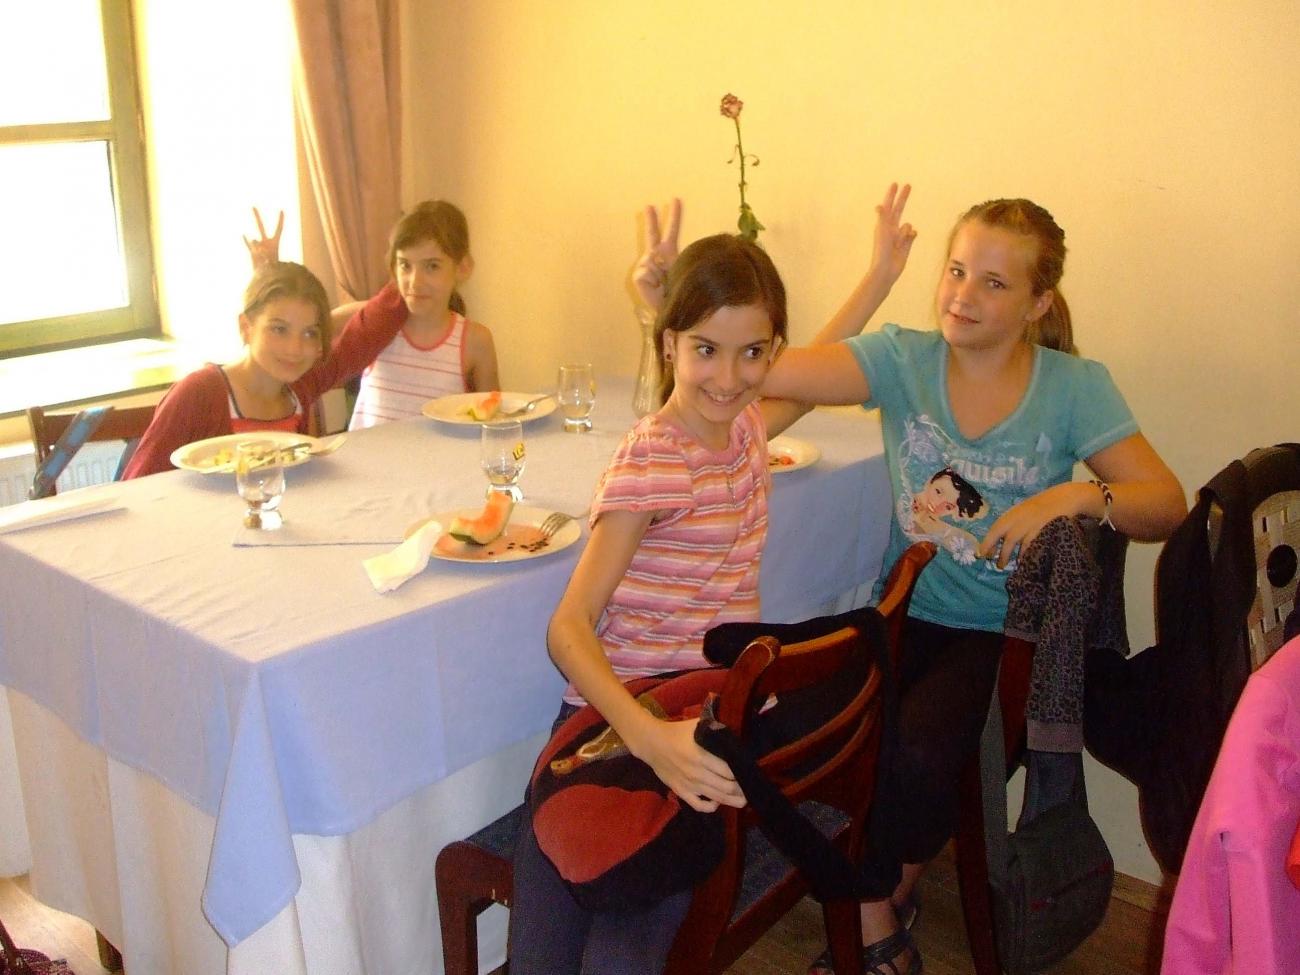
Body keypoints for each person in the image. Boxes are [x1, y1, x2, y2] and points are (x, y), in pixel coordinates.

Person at [760, 190, 1188, 975]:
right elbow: (783, 371)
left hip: (1002, 636)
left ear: (1037, 302)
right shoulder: (903, 359)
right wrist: (877, 278)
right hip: (905, 612)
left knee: (920, 757)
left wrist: (1073, 495)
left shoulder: (1073, 385)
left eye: (994, 282)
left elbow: (1165, 502)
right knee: (793, 723)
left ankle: (875, 922)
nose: (963, 294)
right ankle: (880, 911)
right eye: (957, 270)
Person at [505, 189, 923, 972]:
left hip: (705, 722)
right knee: (557, 922)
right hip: (622, 717)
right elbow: (569, 627)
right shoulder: (653, 460)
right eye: (705, 350)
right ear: (668, 345)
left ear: (773, 352)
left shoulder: (746, 430)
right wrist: (648, 736)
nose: (730, 376)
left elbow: (811, 366)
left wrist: (878, 280)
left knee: (618, 945)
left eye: (753, 353)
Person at [247, 201, 500, 429]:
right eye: (405, 265)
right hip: (366, 462)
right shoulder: (379, 321)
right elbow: (301, 325)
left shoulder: (475, 341)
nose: (415, 281)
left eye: (432, 266)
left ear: (463, 267)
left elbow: (494, 422)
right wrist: (269, 271)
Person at [121, 261, 331, 478]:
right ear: (245, 327)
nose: (294, 349)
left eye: (310, 333)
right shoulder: (198, 393)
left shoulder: (298, 393)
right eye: (279, 329)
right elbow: (137, 483)